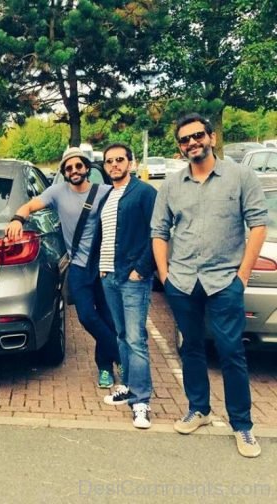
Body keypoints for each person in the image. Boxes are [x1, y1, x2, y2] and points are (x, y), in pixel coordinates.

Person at [151, 113, 267, 457]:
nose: (192, 143)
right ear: (179, 147)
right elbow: (159, 232)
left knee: (231, 352)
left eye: (197, 136)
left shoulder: (240, 176)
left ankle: (242, 426)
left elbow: (258, 225)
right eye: (185, 140)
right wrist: (165, 275)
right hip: (183, 282)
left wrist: (242, 277)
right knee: (191, 348)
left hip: (224, 282)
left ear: (211, 137)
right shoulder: (172, 185)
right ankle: (198, 409)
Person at [5, 147, 120, 387]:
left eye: (78, 166)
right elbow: (28, 207)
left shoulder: (106, 192)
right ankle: (121, 351)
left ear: (87, 168)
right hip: (78, 266)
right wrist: (17, 220)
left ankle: (105, 368)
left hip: (105, 266)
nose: (74, 171)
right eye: (68, 168)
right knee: (88, 317)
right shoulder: (56, 192)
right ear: (64, 172)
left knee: (108, 318)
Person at [99, 143, 157, 429]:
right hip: (109, 275)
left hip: (133, 277)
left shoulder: (144, 193)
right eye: (109, 161)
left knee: (136, 339)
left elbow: (159, 232)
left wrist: (141, 270)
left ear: (131, 163)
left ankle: (142, 400)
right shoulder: (107, 196)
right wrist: (101, 268)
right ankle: (128, 386)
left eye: (119, 160)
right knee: (121, 335)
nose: (114, 165)